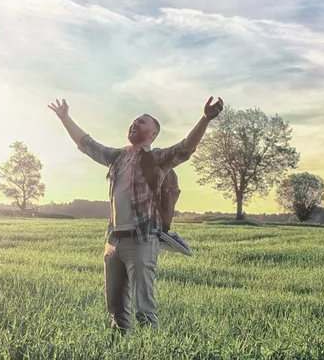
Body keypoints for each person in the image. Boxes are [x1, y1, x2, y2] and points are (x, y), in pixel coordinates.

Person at [48, 96, 224, 334]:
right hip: (114, 241)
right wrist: (64, 117)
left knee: (144, 308)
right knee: (116, 308)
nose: (135, 124)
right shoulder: (117, 158)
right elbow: (86, 144)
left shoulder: (156, 159)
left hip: (142, 241)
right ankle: (122, 347)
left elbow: (185, 148)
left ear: (152, 135)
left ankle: (148, 349)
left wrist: (204, 119)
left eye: (141, 122)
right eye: (133, 121)